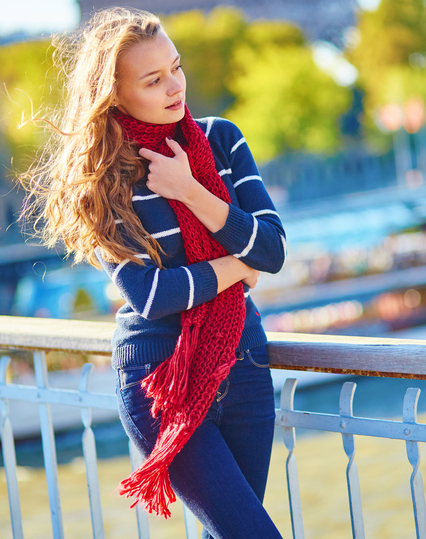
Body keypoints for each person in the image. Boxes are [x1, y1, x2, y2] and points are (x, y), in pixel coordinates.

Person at [21, 7, 286, 538]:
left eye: (176, 67)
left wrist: (190, 190)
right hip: (159, 380)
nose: (175, 86)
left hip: (245, 363)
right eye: (153, 79)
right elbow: (150, 295)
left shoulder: (222, 140)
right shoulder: (101, 180)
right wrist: (239, 266)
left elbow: (274, 251)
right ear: (114, 95)